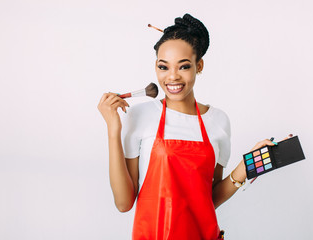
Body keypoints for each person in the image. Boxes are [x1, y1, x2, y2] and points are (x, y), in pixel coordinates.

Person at [97, 13, 281, 240]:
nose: (172, 77)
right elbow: (124, 203)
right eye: (163, 67)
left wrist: (245, 167)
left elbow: (207, 199)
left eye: (183, 66)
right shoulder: (140, 116)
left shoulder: (218, 121)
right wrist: (113, 131)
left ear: (199, 65)